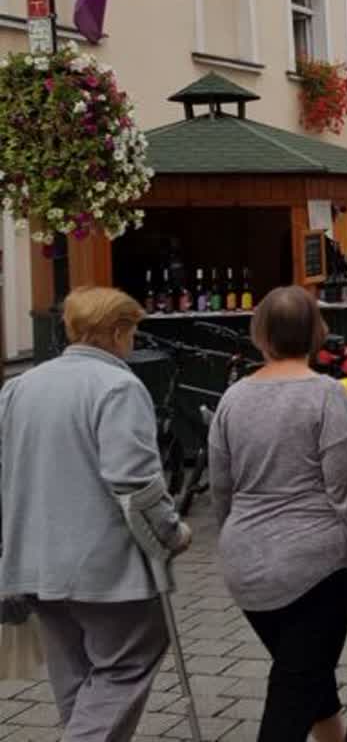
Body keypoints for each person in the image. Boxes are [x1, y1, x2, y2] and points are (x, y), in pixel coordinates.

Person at [0, 288, 191, 742]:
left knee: (75, 673)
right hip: (102, 566)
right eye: (133, 332)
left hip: (34, 560)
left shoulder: (20, 385)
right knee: (129, 658)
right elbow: (135, 483)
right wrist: (172, 533)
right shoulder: (118, 387)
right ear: (119, 332)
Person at [209, 286, 347, 742]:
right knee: (297, 682)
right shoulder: (326, 395)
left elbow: (220, 485)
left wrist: (235, 534)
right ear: (316, 332)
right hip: (317, 564)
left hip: (246, 563)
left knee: (308, 670)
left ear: (261, 334)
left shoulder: (233, 398)